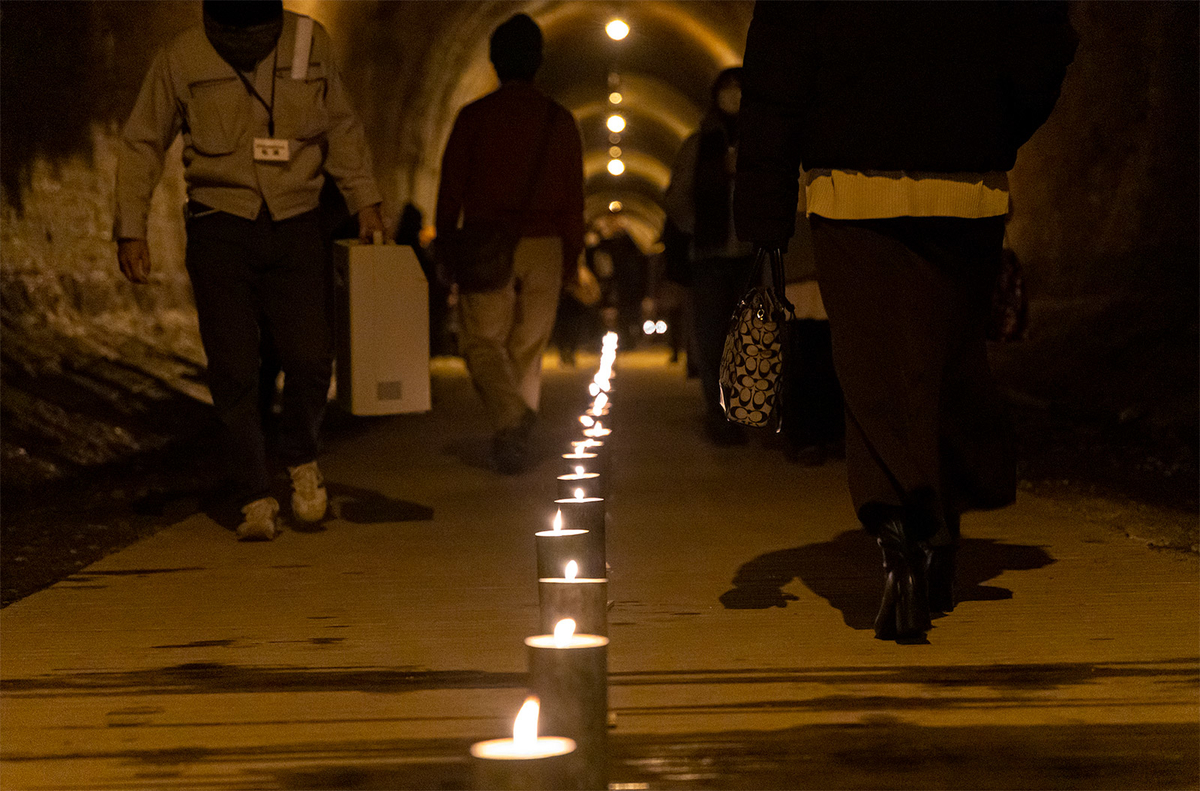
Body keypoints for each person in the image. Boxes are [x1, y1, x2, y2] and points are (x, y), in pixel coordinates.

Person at [735, 2, 1075, 641]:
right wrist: (993, 123)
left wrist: (764, 222)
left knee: (872, 365)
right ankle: (940, 526)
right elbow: (1042, 38)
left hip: (851, 186)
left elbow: (775, 82)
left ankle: (902, 537)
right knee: (947, 359)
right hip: (966, 186)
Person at [115, 1, 385, 541]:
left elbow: (342, 125)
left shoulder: (310, 42)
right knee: (234, 366)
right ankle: (255, 492)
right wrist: (130, 225)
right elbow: (144, 139)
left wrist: (365, 200)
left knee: (311, 356)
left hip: (299, 221)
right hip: (221, 225)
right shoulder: (183, 55)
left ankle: (301, 457)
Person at [435, 13, 584, 474]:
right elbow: (574, 198)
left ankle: (510, 423)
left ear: (494, 61)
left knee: (482, 342)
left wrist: (445, 245)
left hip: (485, 242)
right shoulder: (559, 120)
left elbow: (450, 188)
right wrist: (571, 258)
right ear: (539, 62)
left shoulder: (474, 117)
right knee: (527, 346)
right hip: (546, 245)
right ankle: (516, 427)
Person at [664, 67, 756, 446]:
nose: (733, 96)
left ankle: (747, 409)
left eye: (740, 89)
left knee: (749, 336)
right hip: (711, 256)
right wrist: (699, 227)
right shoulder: (698, 146)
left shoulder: (761, 142)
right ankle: (719, 414)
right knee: (713, 337)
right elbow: (676, 197)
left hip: (751, 252)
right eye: (727, 90)